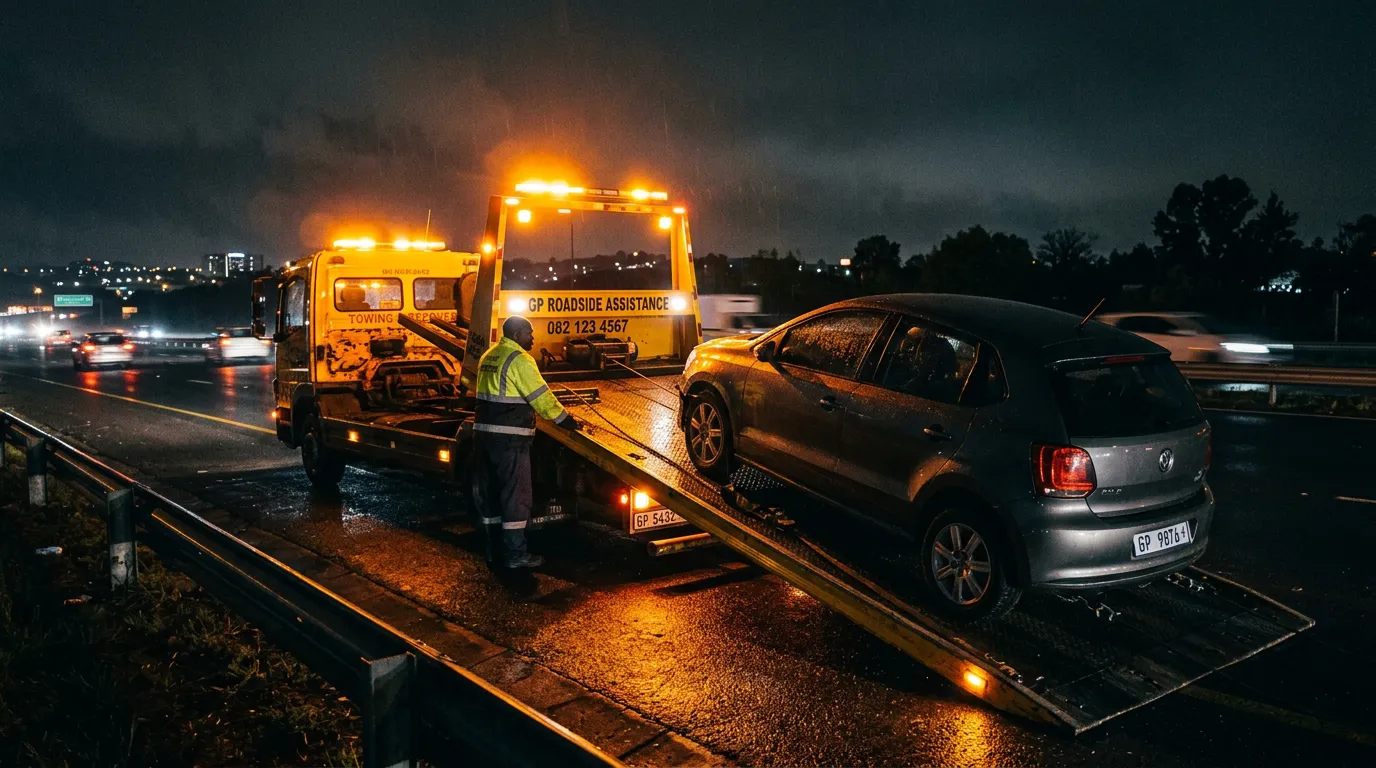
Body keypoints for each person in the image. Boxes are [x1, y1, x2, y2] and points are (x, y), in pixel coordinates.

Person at [473, 316, 581, 568]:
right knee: (515, 497)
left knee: (490, 496)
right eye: (530, 333)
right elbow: (542, 399)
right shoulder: (519, 360)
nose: (532, 338)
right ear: (518, 332)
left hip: (483, 436)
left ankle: (492, 550)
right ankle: (515, 555)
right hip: (509, 440)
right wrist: (567, 421)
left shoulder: (489, 356)